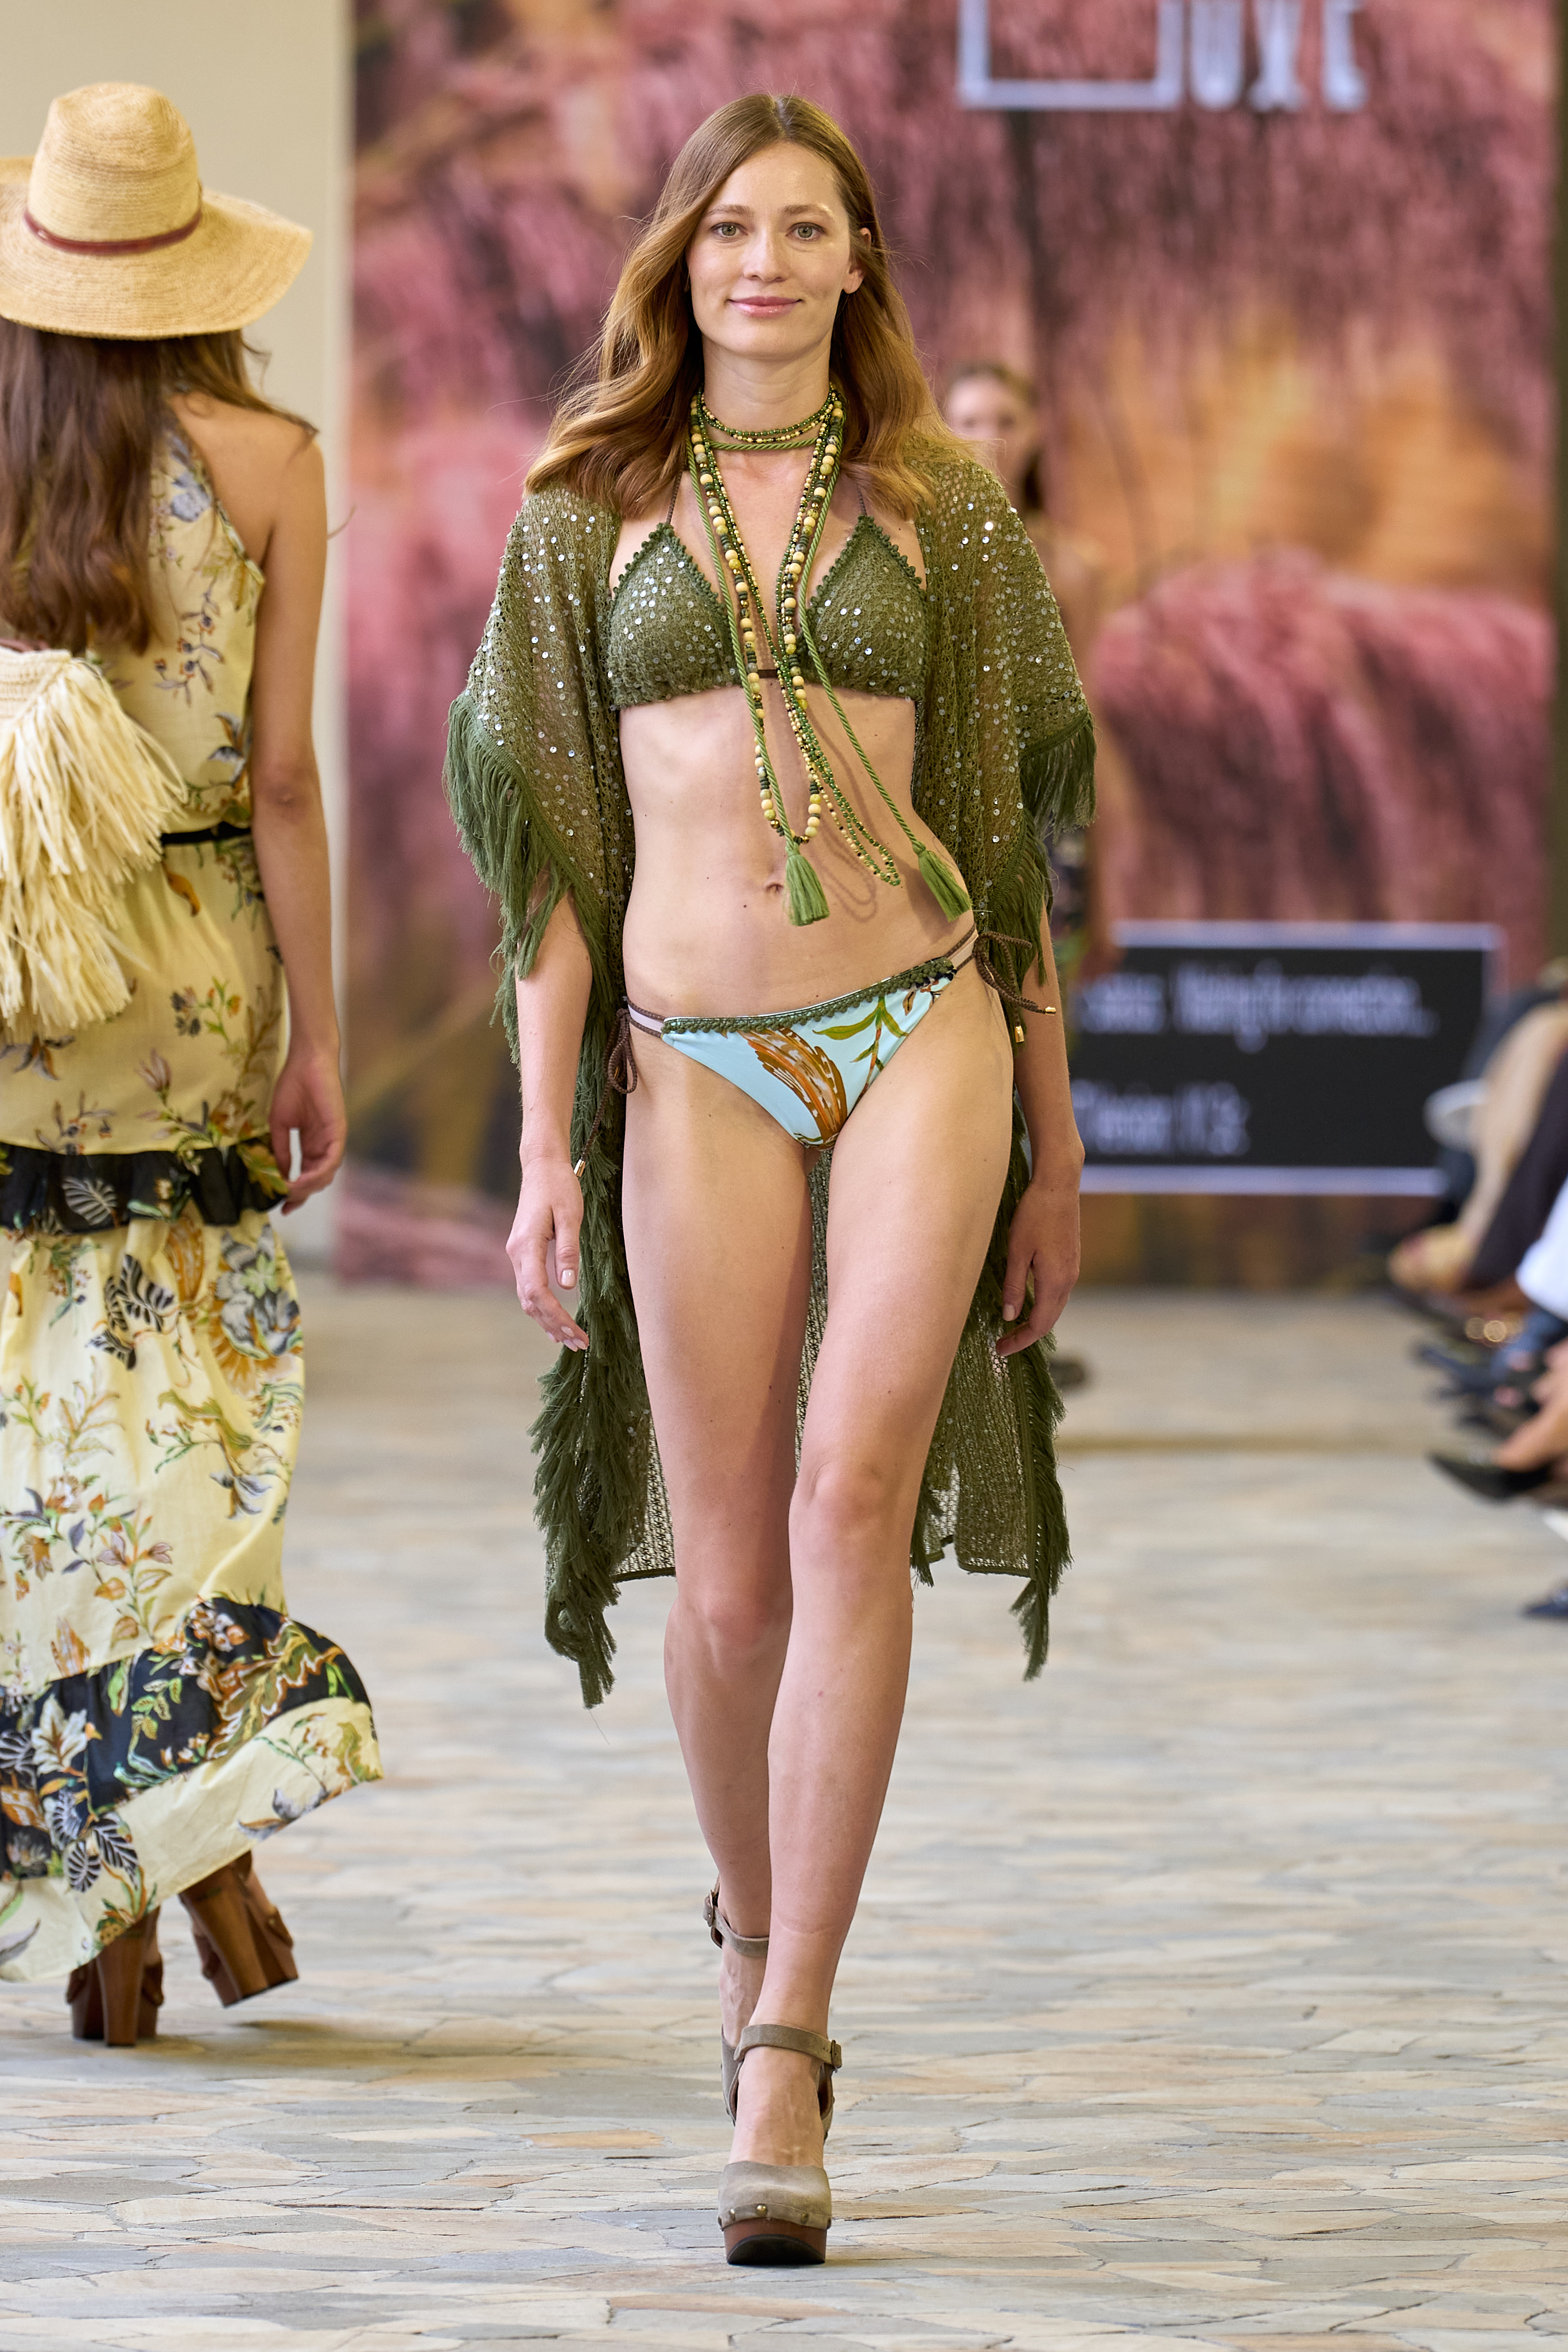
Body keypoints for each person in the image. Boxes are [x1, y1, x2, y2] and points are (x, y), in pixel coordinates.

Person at [446, 95, 1093, 2265]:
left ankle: (791, 2043)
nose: (766, 261)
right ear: (680, 256)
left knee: (851, 1495)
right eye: (732, 226)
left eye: (808, 228)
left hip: (918, 1021)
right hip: (686, 1055)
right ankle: (745, 1940)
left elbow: (1002, 837)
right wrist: (538, 1144)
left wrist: (1056, 1141)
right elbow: (553, 861)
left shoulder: (940, 506)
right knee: (724, 1582)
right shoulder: (583, 508)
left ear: (856, 262)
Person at [0, 86, 379, 2044]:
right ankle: (185, 1843)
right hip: (192, 971)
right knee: (188, 1417)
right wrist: (322, 1025)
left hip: (14, 957)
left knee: (32, 1421)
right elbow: (287, 778)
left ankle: (102, 1867)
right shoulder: (270, 458)